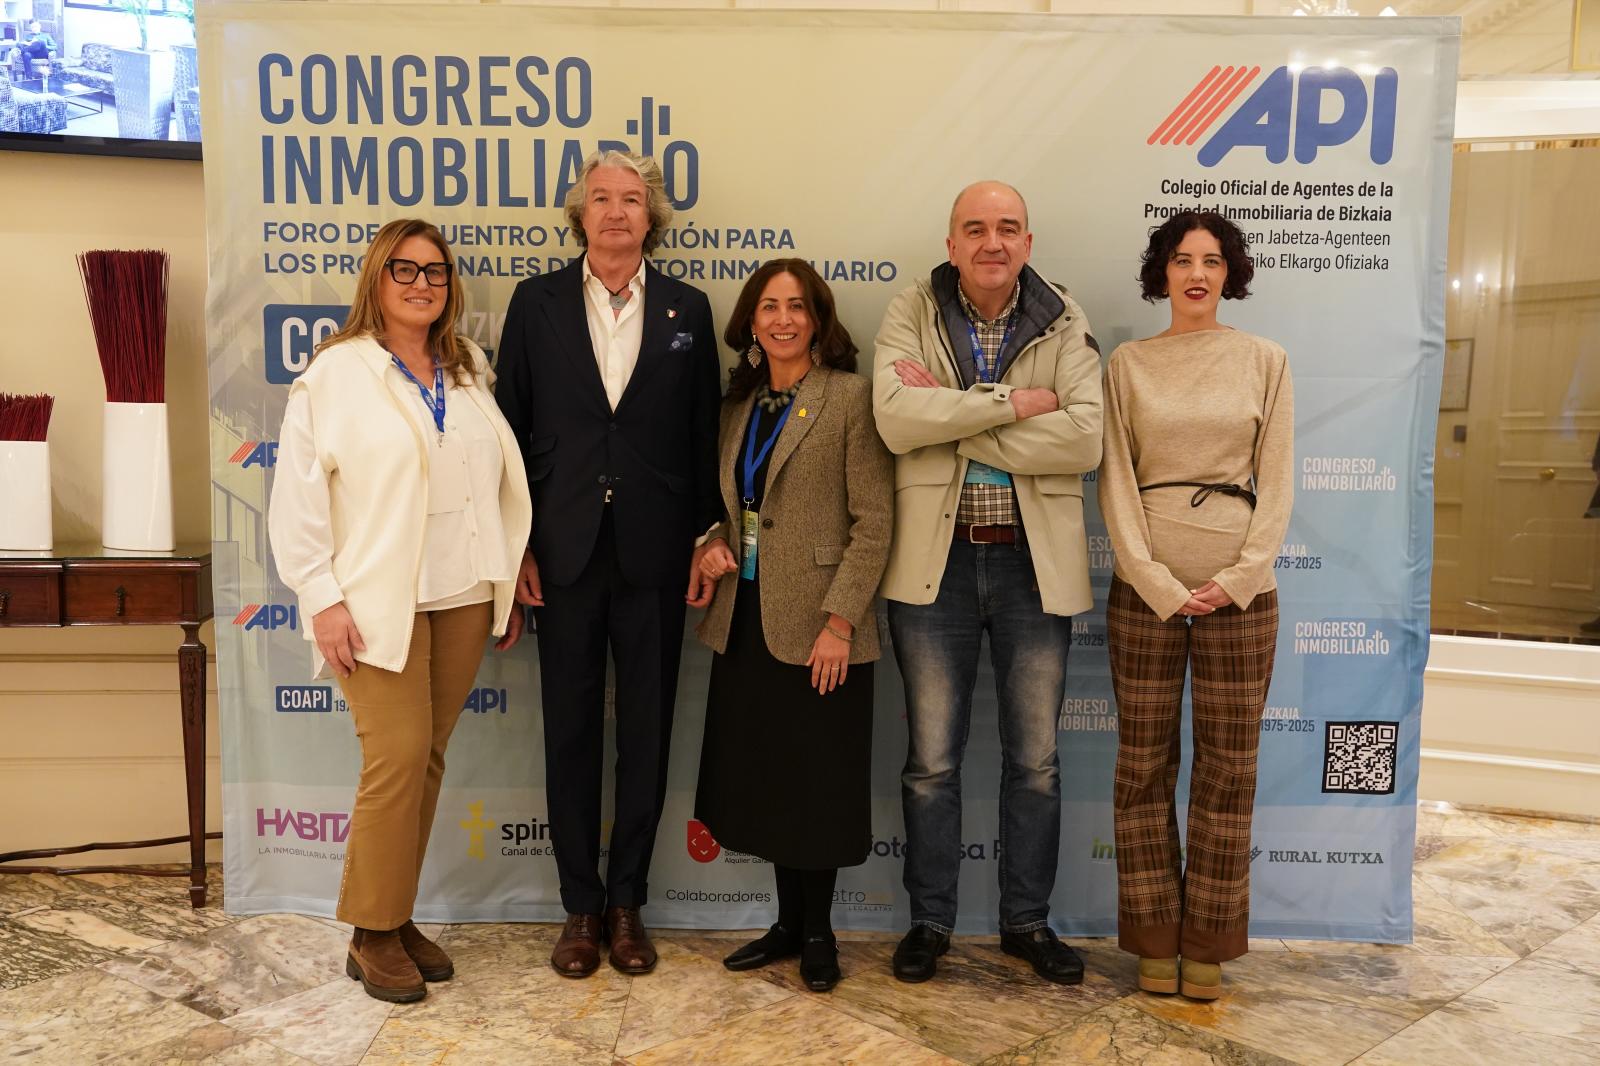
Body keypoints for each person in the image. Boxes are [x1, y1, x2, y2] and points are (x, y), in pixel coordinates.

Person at [268, 218, 533, 1003]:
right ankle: (372, 932)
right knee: (396, 755)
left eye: (437, 272)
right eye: (405, 270)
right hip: (375, 600)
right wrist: (322, 599)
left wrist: (502, 580)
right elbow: (299, 499)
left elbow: (487, 481)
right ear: (377, 280)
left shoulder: (465, 368)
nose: (423, 284)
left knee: (427, 756)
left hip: (459, 594)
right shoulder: (335, 374)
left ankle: (396, 912)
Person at [495, 150, 721, 978]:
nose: (618, 212)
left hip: (657, 553)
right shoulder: (536, 303)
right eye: (601, 199)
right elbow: (508, 435)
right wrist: (516, 543)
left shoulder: (689, 308)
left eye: (632, 199)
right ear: (579, 214)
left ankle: (629, 903)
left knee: (649, 736)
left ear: (650, 216)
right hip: (563, 551)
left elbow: (704, 440)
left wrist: (706, 533)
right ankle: (579, 909)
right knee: (572, 733)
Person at [873, 181, 1103, 985]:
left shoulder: (1064, 316)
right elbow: (898, 421)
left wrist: (962, 419)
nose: (992, 242)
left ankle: (1026, 924)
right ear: (952, 243)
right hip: (932, 566)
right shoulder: (911, 310)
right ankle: (930, 922)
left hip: (1030, 567)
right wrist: (1014, 405)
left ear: (1028, 243)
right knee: (931, 761)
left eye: (1008, 228)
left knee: (1034, 760)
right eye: (975, 228)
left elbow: (1083, 438)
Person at [1099, 210, 1294, 1001]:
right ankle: (1151, 939)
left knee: (1228, 773)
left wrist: (1240, 576)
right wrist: (1153, 579)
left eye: (1213, 261)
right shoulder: (1128, 364)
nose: (1198, 274)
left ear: (1231, 273)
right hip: (1144, 596)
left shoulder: (1266, 360)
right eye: (1183, 259)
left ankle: (1208, 943)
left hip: (1242, 600)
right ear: (1162, 272)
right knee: (1142, 770)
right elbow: (1113, 479)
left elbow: (1277, 481)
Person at [688, 259, 893, 993]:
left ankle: (818, 932)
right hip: (746, 617)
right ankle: (782, 923)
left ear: (818, 319)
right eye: (769, 307)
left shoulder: (848, 397)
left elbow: (875, 521)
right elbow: (732, 506)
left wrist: (840, 621)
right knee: (772, 779)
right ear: (750, 319)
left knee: (820, 782)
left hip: (820, 626)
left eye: (796, 307)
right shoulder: (738, 404)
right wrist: (710, 542)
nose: (782, 319)